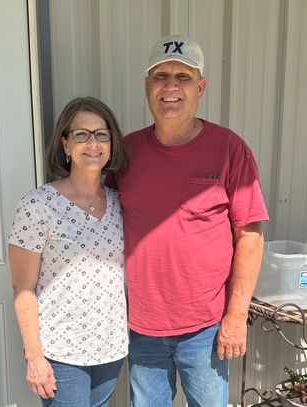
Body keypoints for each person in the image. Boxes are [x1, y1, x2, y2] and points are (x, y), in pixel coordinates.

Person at [105, 34, 270, 406]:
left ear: (201, 87)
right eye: (161, 75)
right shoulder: (125, 153)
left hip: (206, 327)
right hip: (142, 325)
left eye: (183, 77)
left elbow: (250, 236)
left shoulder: (230, 149)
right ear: (148, 87)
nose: (171, 86)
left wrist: (236, 315)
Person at [7, 96, 130, 407]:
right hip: (62, 351)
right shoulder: (37, 205)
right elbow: (23, 288)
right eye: (81, 134)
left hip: (110, 346)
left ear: (112, 144)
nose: (93, 143)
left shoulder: (120, 202)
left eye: (102, 134)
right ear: (65, 144)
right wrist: (34, 356)